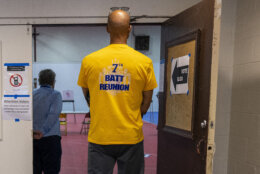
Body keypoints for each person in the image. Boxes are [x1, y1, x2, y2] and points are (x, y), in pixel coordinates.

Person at [78, 9, 157, 174]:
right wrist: (136, 115)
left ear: (107, 28)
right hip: (131, 136)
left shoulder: (89, 61)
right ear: (130, 29)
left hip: (100, 136)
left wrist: (99, 109)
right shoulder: (144, 62)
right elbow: (147, 101)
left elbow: (88, 95)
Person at [33, 69, 62, 174]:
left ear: (40, 81)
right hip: (50, 138)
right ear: (53, 81)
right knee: (51, 170)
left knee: (35, 169)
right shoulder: (56, 95)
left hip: (34, 137)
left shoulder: (32, 94)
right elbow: (53, 115)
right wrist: (43, 131)